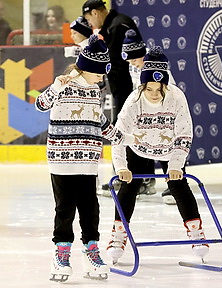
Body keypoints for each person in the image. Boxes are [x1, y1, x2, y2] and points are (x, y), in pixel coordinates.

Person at [35, 35, 135, 282]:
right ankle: (61, 252)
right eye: (100, 74)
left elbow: (98, 120)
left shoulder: (93, 89)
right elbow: (39, 104)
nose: (102, 79)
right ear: (89, 67)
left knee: (90, 208)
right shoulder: (64, 84)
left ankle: (91, 250)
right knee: (65, 208)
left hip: (88, 160)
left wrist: (124, 138)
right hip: (61, 159)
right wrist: (56, 86)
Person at [107, 46, 209, 264]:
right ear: (142, 85)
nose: (154, 94)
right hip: (139, 147)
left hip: (169, 148)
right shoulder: (134, 100)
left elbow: (184, 133)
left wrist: (175, 164)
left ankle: (195, 232)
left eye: (159, 89)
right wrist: (121, 168)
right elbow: (118, 136)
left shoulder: (176, 97)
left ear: (166, 85)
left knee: (179, 185)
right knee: (129, 186)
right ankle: (118, 235)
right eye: (149, 89)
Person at [82, 0, 144, 195]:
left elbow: (119, 61)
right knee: (126, 128)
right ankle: (135, 177)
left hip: (129, 89)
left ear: (94, 12)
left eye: (89, 18)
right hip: (122, 89)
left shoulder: (118, 25)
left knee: (129, 128)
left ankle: (137, 178)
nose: (91, 23)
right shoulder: (112, 25)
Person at [120, 29, 177, 204]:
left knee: (169, 146)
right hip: (144, 114)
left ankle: (174, 184)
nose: (132, 63)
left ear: (142, 54)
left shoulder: (157, 65)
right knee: (140, 145)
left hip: (164, 113)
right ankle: (143, 181)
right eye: (129, 60)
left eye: (134, 59)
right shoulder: (133, 67)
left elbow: (170, 88)